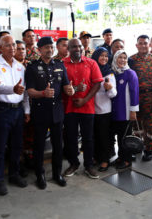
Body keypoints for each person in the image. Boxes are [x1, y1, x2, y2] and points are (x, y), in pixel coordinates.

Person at [25, 36, 74, 189]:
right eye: (46, 47)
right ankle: (40, 174)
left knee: (58, 145)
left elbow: (66, 86)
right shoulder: (32, 67)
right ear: (39, 50)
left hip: (57, 111)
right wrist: (42, 94)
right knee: (39, 145)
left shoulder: (59, 65)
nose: (50, 50)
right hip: (40, 111)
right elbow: (30, 92)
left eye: (51, 47)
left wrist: (71, 90)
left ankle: (56, 173)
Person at [0, 35, 30, 195]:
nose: (12, 48)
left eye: (14, 44)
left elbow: (25, 91)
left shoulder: (21, 67)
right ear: (0, 48)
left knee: (17, 145)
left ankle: (14, 174)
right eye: (8, 45)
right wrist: (12, 89)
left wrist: (27, 110)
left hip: (18, 110)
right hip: (2, 110)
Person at [62, 38, 103, 179]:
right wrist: (72, 90)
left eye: (79, 46)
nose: (78, 49)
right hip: (69, 108)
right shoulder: (62, 64)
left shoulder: (91, 63)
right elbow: (60, 86)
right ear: (68, 49)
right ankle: (73, 163)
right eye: (74, 47)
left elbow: (97, 84)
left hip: (87, 108)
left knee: (88, 138)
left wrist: (85, 99)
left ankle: (89, 165)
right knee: (71, 138)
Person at [130, 35, 152, 161]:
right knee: (136, 124)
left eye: (145, 43)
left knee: (151, 125)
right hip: (135, 96)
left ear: (149, 45)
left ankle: (150, 149)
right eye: (141, 43)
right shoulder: (131, 60)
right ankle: (137, 147)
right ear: (136, 45)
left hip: (150, 97)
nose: (143, 45)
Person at [110, 50, 139, 169]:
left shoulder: (130, 74)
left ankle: (127, 160)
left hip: (126, 112)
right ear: (115, 59)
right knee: (119, 137)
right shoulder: (114, 73)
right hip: (115, 111)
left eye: (124, 58)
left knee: (125, 137)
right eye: (120, 57)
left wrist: (133, 111)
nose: (122, 60)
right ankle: (120, 157)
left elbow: (135, 93)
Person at [91, 47, 117, 171]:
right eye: (101, 55)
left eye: (106, 56)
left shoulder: (109, 73)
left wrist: (109, 87)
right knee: (94, 136)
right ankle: (96, 156)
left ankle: (105, 160)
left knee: (104, 137)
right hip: (91, 109)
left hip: (104, 110)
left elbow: (113, 94)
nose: (104, 58)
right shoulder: (91, 70)